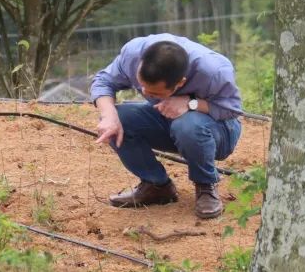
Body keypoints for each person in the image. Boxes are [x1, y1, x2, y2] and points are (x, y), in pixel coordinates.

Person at [90, 34, 243, 219]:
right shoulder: (133, 54)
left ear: (180, 83)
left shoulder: (214, 71)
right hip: (166, 119)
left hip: (218, 130)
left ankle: (205, 185)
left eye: (154, 92)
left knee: (187, 125)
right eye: (141, 85)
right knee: (119, 119)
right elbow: (103, 81)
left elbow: (231, 110)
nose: (145, 92)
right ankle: (157, 186)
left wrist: (190, 103)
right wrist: (109, 115)